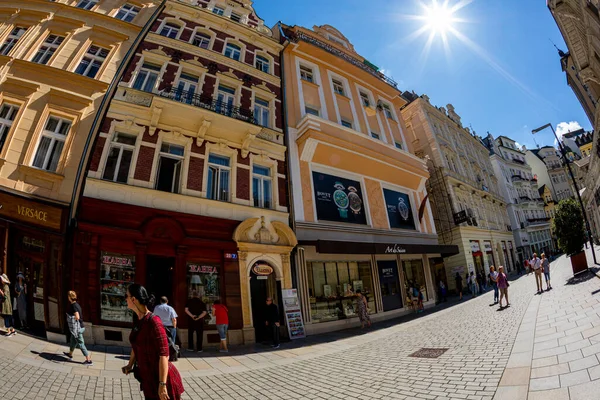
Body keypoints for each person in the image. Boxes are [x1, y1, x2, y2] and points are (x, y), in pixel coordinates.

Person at [122, 284, 184, 400]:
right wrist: (130, 365)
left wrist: (162, 385)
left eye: (126, 296)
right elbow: (136, 345)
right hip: (148, 379)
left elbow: (164, 355)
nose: (125, 299)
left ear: (133, 299)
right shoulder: (138, 319)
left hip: (162, 379)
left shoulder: (154, 321)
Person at [63, 291, 92, 365]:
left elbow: (77, 317)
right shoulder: (77, 304)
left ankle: (88, 360)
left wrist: (71, 319)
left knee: (81, 344)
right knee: (72, 340)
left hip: (78, 329)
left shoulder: (74, 306)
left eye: (68, 296)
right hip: (78, 327)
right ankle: (70, 354)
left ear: (69, 297)